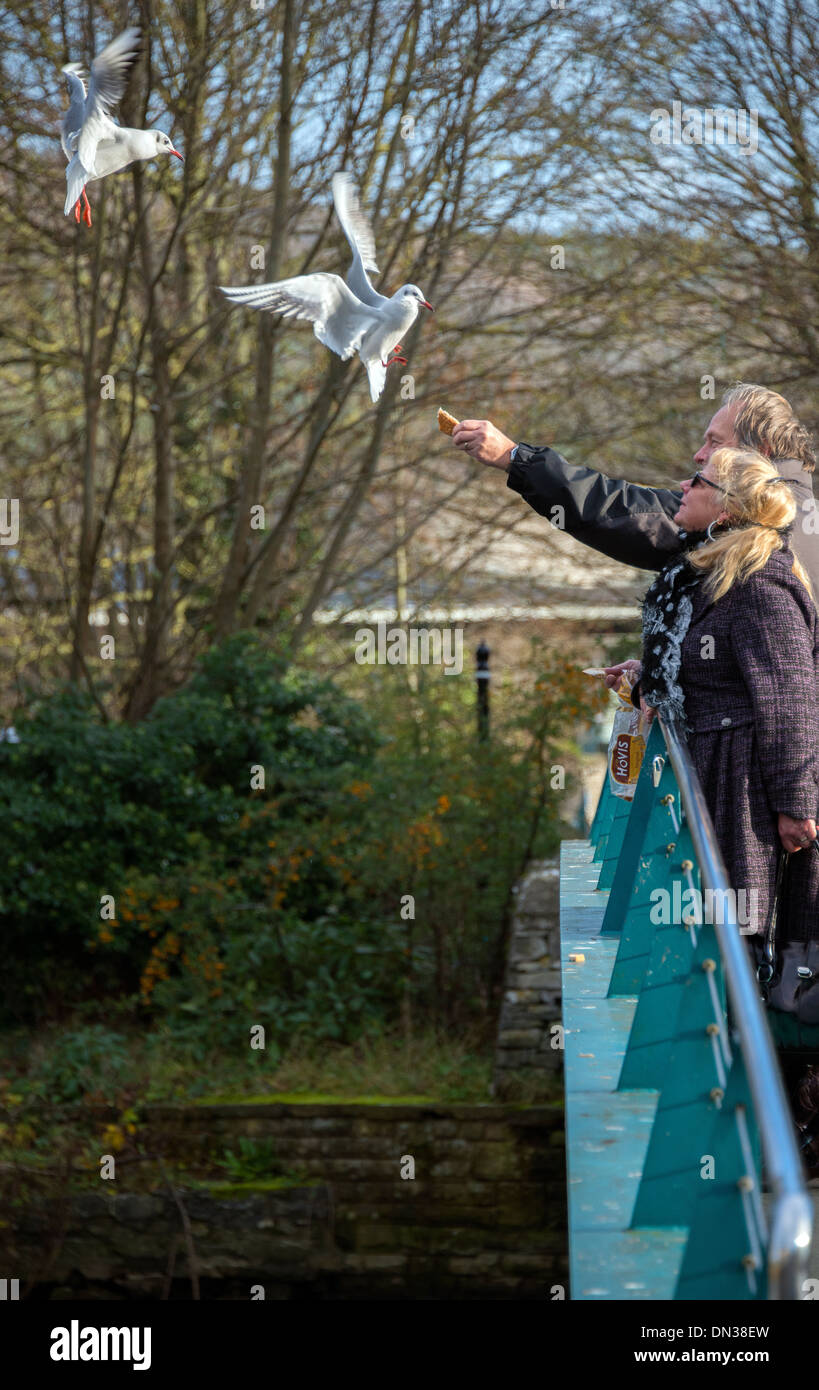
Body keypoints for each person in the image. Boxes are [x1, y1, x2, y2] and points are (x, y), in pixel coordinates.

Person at [628, 445, 819, 1109]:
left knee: (737, 943)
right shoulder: (714, 579)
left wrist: (796, 805)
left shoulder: (762, 585)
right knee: (712, 937)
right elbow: (702, 675)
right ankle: (718, 1102)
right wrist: (643, 680)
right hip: (708, 779)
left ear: (729, 507)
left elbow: (792, 697)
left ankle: (745, 1120)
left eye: (697, 482)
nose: (681, 484)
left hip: (741, 793)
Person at [450, 382, 819, 592]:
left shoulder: (751, 519)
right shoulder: (803, 515)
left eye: (715, 443)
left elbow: (622, 511)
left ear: (761, 452)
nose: (698, 455)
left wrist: (515, 457)